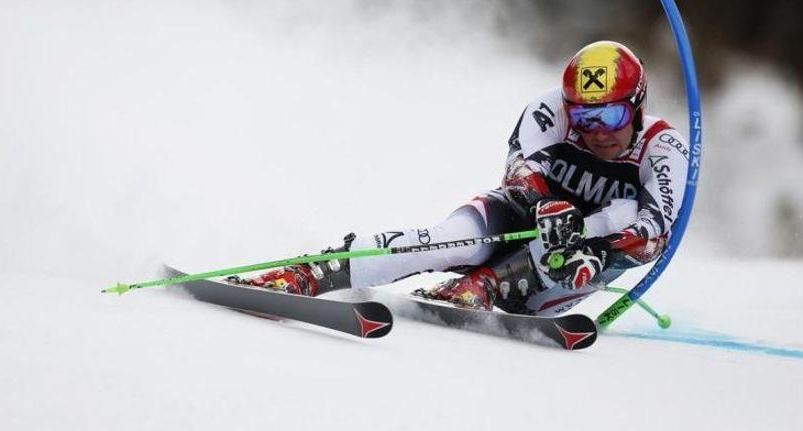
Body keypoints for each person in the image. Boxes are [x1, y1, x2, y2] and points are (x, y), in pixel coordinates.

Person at [231, 41, 690, 316]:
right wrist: (544, 208)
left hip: (569, 269)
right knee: (452, 239)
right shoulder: (548, 110)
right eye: (584, 116)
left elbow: (656, 231)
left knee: (622, 212)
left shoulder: (663, 147)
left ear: (637, 104)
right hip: (520, 218)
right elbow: (519, 172)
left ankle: (487, 284)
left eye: (609, 114)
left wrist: (596, 249)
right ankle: (314, 271)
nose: (597, 131)